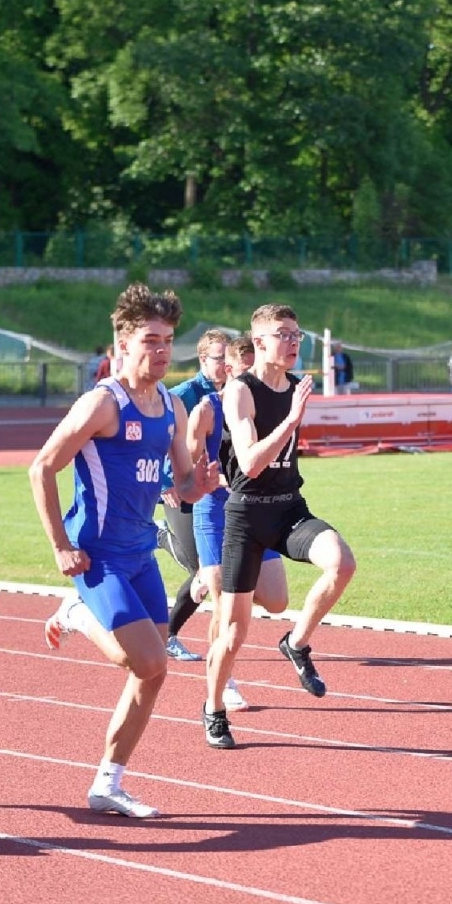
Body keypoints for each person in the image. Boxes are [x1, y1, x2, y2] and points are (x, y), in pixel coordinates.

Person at [29, 283, 216, 819]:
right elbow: (42, 466)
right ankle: (77, 611)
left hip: (140, 554)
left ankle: (107, 784)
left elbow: (179, 482)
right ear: (123, 345)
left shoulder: (172, 407)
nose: (161, 352)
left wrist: (197, 485)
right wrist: (60, 546)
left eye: (168, 341)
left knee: (151, 671)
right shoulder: (102, 403)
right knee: (151, 658)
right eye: (151, 341)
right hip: (98, 555)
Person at [203, 303, 357, 751]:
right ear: (260, 343)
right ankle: (213, 708)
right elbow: (249, 464)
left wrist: (293, 411)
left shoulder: (295, 386)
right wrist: (291, 420)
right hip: (247, 515)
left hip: (289, 509)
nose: (292, 342)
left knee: (342, 563)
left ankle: (296, 642)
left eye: (297, 334)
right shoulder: (240, 392)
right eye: (283, 334)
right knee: (233, 632)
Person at [184, 331, 290, 726]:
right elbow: (186, 465)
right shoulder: (207, 410)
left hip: (256, 510)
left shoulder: (264, 405)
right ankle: (223, 681)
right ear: (228, 370)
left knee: (277, 600)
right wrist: (203, 478)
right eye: (245, 373)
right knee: (225, 603)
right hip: (216, 513)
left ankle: (205, 579)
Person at [158, 328, 233, 664]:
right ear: (204, 359)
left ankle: (168, 635)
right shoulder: (184, 395)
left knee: (211, 570)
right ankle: (163, 537)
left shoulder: (234, 393)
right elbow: (156, 439)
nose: (227, 365)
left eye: (230, 358)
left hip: (216, 493)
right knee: (202, 569)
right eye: (221, 359)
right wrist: (163, 483)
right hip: (181, 489)